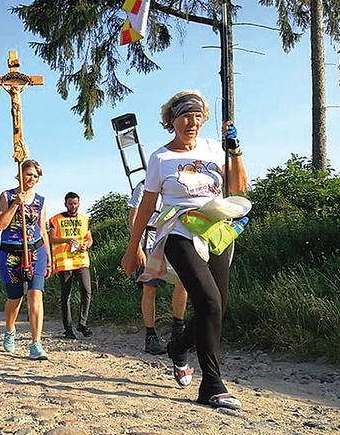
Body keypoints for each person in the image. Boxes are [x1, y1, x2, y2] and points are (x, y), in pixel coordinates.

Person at [121, 90, 248, 410]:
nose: (191, 122)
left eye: (197, 116)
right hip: (179, 231)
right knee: (207, 301)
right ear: (172, 121)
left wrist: (234, 149)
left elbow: (238, 187)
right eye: (184, 116)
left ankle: (178, 347)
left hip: (216, 230)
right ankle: (212, 384)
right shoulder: (160, 159)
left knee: (216, 306)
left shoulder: (213, 149)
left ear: (203, 119)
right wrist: (132, 247)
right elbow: (147, 204)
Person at [0, 159, 52, 360]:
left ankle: (36, 343)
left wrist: (49, 258)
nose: (31, 179)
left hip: (36, 252)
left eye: (35, 176)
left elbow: (43, 230)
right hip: (11, 253)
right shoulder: (7, 195)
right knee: (15, 298)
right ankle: (10, 329)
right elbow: (0, 225)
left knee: (35, 295)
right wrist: (15, 205)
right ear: (20, 174)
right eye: (28, 174)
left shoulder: (41, 200)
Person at [129, 180, 188, 355]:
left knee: (182, 281)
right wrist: (136, 247)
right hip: (149, 241)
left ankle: (178, 328)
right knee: (150, 289)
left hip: (172, 236)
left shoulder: (176, 185)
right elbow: (134, 217)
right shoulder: (143, 186)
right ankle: (151, 336)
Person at [49, 191, 94, 339]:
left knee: (87, 291)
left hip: (81, 260)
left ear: (79, 204)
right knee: (66, 296)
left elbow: (89, 238)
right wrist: (66, 240)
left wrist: (86, 245)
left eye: (75, 203)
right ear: (65, 204)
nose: (73, 206)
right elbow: (51, 238)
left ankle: (82, 323)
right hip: (65, 262)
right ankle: (68, 329)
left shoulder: (84, 219)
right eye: (70, 203)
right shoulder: (55, 219)